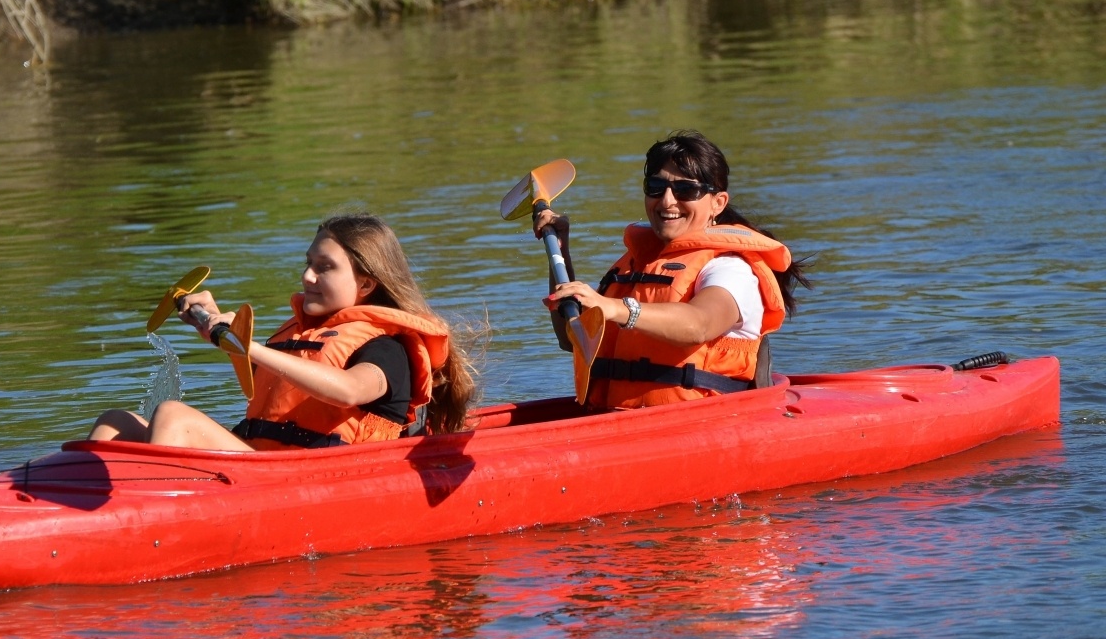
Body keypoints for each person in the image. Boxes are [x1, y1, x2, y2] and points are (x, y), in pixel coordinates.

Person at [88, 214, 476, 450]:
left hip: (316, 479)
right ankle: (69, 509)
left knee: (174, 417)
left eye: (325, 267)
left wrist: (249, 346)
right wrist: (212, 321)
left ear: (366, 285)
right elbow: (276, 384)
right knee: (114, 422)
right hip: (260, 463)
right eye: (308, 263)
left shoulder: (387, 349)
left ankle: (150, 524)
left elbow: (347, 390)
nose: (307, 276)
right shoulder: (305, 334)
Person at [536, 131, 810, 410]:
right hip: (615, 421)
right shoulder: (636, 264)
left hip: (702, 425)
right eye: (656, 186)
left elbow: (699, 324)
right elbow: (572, 340)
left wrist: (613, 308)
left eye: (686, 190)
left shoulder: (730, 269)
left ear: (718, 203)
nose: (667, 200)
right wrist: (559, 253)